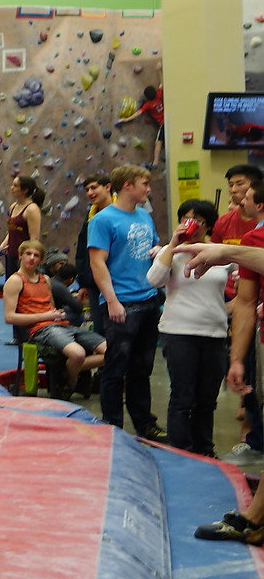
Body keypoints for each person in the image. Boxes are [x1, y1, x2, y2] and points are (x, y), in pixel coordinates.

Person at [176, 241, 264, 546]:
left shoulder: (243, 248)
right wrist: (238, 358)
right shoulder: (255, 239)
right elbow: (245, 301)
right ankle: (255, 518)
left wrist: (225, 252)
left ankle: (255, 518)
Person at [88, 164, 167, 441]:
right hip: (122, 302)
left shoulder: (144, 216)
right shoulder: (103, 220)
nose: (148, 189)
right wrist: (111, 301)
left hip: (148, 300)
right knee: (115, 367)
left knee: (142, 368)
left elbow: (152, 247)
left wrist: (160, 250)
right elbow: (97, 263)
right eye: (144, 184)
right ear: (127, 186)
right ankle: (113, 426)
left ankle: (145, 424)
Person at [146, 199, 227, 456]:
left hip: (214, 334)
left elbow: (240, 289)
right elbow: (154, 280)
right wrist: (173, 245)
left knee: (207, 399)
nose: (192, 225)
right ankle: (182, 451)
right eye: (186, 219)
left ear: (208, 225)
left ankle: (205, 449)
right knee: (183, 397)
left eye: (199, 220)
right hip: (178, 333)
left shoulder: (220, 253)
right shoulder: (171, 252)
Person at [3, 240, 107, 399]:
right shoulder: (15, 281)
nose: (31, 258)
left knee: (111, 352)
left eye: (36, 255)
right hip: (41, 330)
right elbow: (9, 317)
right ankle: (71, 382)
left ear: (41, 260)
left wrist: (57, 313)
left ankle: (68, 371)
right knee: (77, 354)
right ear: (20, 256)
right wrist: (46, 316)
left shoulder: (45, 279)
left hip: (61, 325)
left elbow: (50, 307)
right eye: (28, 254)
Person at [210, 164, 264, 461]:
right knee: (250, 377)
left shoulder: (253, 238)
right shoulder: (235, 229)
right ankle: (254, 436)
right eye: (230, 185)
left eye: (240, 184)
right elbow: (245, 300)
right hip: (241, 307)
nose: (234, 191)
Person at [0, 175, 45, 343]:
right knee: (12, 296)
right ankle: (17, 335)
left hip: (24, 260)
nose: (12, 188)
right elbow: (11, 232)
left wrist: (30, 260)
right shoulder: (13, 206)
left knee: (25, 296)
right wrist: (2, 247)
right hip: (11, 256)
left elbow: (34, 238)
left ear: (24, 190)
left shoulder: (32, 209)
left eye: (16, 185)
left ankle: (30, 333)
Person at [75, 174, 115, 336]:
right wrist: (83, 281)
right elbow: (83, 249)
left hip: (116, 279)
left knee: (116, 327)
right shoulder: (91, 216)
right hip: (94, 282)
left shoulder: (120, 212)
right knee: (100, 328)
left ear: (107, 187)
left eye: (94, 187)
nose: (90, 193)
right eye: (87, 189)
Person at [115, 63, 164, 168]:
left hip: (163, 124)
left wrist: (126, 119)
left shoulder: (148, 105)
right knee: (160, 142)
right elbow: (161, 83)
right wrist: (159, 70)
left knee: (158, 142)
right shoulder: (159, 95)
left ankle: (155, 163)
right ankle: (155, 162)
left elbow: (138, 113)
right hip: (168, 120)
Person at [50, 262, 84, 328]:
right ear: (71, 279)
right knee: (78, 315)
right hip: (52, 317)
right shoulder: (60, 287)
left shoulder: (52, 280)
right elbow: (78, 308)